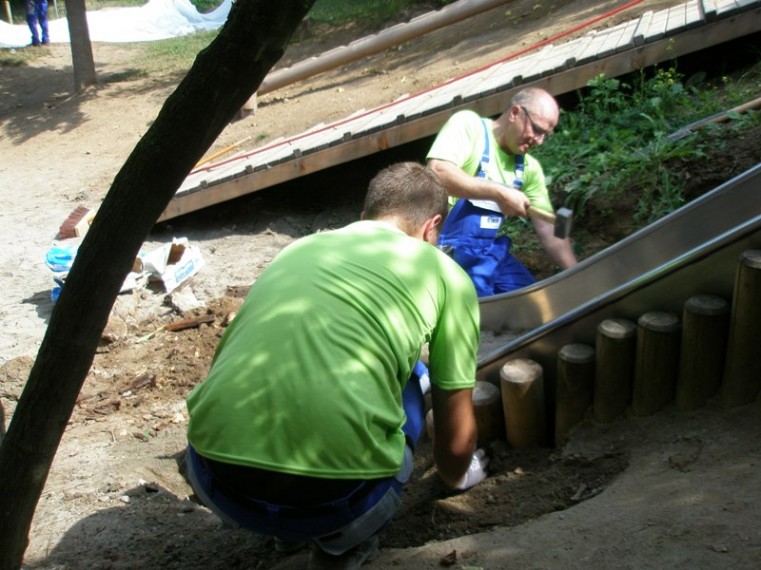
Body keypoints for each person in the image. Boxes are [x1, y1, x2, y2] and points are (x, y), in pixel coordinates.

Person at [184, 162, 488, 569]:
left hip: (217, 484)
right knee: (415, 380)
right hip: (338, 505)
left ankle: (283, 537)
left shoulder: (298, 249)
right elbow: (454, 427)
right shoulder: (446, 274)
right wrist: (458, 475)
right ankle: (342, 547)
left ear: (363, 217)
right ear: (432, 228)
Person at [427, 86, 577, 297]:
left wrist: (577, 274)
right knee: (483, 307)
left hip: (487, 252)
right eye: (537, 129)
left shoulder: (529, 169)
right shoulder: (470, 127)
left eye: (546, 135)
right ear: (515, 113)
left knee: (533, 300)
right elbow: (437, 173)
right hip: (444, 252)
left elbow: (548, 227)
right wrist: (498, 192)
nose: (539, 140)